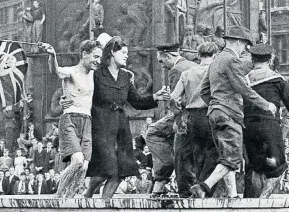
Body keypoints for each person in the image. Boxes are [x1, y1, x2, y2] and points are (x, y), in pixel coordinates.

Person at [84, 36, 169, 199]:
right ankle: (87, 196)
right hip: (101, 125)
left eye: (127, 53)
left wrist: (155, 97)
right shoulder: (96, 74)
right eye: (123, 52)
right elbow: (83, 92)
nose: (126, 56)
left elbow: (136, 101)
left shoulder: (125, 77)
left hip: (121, 127)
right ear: (111, 53)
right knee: (104, 170)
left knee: (120, 173)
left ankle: (104, 205)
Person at [196, 25, 277, 198]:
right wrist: (266, 105)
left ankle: (232, 195)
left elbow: (203, 90)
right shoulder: (232, 60)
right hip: (229, 115)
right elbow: (244, 89)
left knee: (226, 156)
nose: (244, 51)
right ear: (239, 42)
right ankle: (203, 187)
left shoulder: (216, 60)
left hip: (215, 113)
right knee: (232, 158)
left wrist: (216, 105)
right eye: (245, 46)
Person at [243, 43, 289, 198]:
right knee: (279, 167)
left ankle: (255, 202)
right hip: (269, 126)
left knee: (256, 168)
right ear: (270, 59)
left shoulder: (244, 80)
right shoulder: (277, 80)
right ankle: (263, 200)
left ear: (252, 59)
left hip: (248, 127)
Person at [42, 39, 103, 197]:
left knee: (83, 167)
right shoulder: (71, 72)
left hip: (87, 121)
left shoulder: (94, 74)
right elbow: (55, 71)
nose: (98, 61)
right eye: (95, 57)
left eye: (100, 57)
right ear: (84, 54)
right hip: (70, 119)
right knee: (77, 160)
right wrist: (52, 55)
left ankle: (69, 197)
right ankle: (58, 196)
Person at [146, 42, 196, 196]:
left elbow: (176, 101)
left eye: (161, 61)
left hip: (184, 116)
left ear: (168, 56)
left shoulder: (176, 70)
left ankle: (166, 168)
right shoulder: (192, 64)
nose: (162, 66)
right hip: (199, 114)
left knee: (152, 133)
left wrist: (174, 116)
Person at [169, 41, 219, 196]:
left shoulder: (187, 73)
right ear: (215, 55)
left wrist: (178, 117)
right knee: (213, 154)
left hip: (192, 117)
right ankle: (205, 188)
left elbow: (173, 98)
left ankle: (193, 187)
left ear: (198, 55)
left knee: (193, 154)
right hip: (211, 115)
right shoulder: (217, 72)